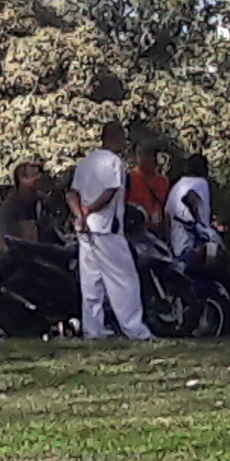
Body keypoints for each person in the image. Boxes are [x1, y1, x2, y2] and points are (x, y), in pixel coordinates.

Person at [70, 123, 146, 341]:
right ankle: (135, 330)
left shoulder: (86, 162)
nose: (124, 142)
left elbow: (73, 193)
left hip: (85, 229)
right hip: (106, 228)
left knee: (91, 282)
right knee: (124, 280)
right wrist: (90, 209)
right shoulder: (113, 162)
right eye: (122, 137)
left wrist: (79, 214)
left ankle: (93, 330)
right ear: (113, 137)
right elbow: (110, 191)